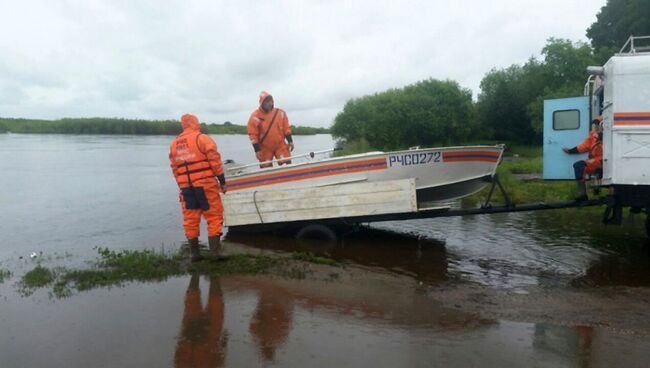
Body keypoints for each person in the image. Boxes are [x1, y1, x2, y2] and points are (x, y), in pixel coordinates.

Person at [169, 113, 227, 262]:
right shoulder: (202, 138)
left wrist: (181, 185)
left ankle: (195, 254)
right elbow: (215, 160)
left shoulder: (174, 144)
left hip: (186, 187)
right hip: (205, 184)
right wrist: (222, 180)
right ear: (195, 123)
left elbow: (174, 168)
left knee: (190, 219)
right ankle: (214, 253)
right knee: (214, 216)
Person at [247, 91, 294, 168]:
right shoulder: (255, 116)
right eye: (266, 101)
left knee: (287, 166)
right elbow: (253, 135)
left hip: (280, 145)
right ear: (261, 103)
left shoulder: (280, 113)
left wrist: (290, 141)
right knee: (265, 169)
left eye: (270, 101)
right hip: (265, 148)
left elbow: (286, 128)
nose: (269, 103)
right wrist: (257, 150)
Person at [563, 118, 603, 201]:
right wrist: (570, 151)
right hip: (596, 161)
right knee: (578, 166)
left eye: (598, 124)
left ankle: (599, 190)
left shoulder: (610, 134)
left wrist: (601, 136)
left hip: (606, 160)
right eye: (595, 124)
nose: (596, 126)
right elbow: (583, 146)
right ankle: (582, 193)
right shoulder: (593, 136)